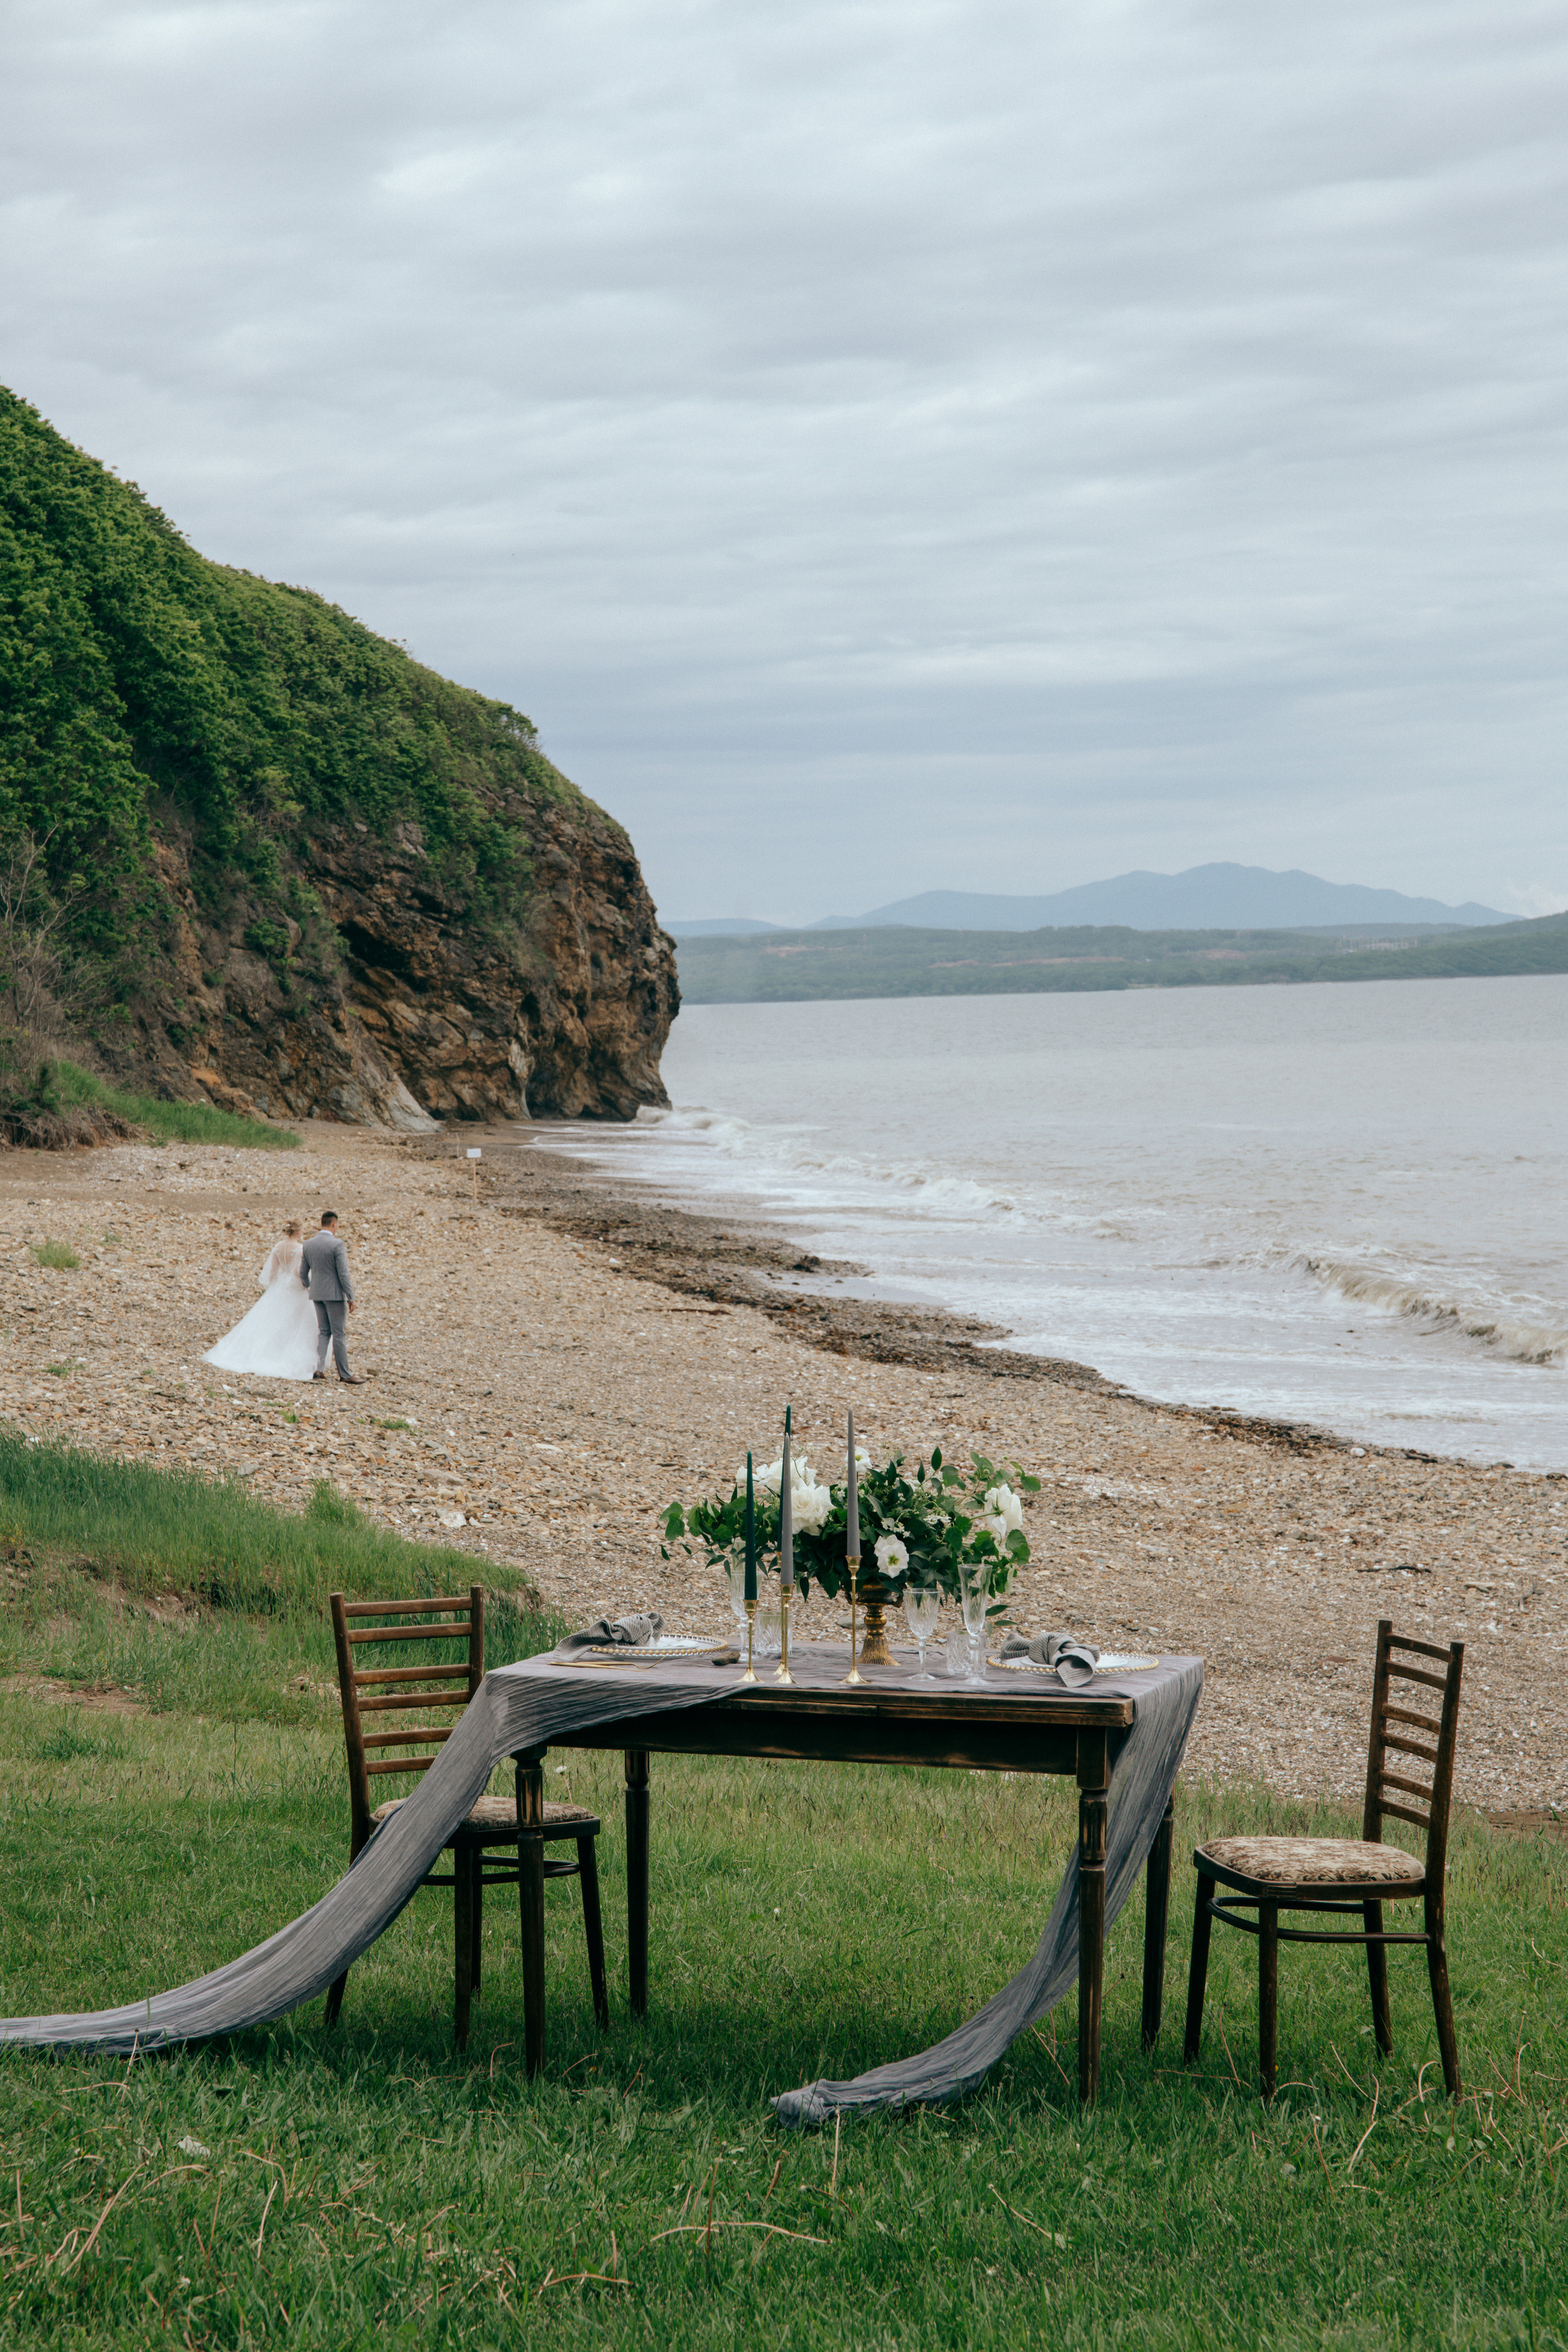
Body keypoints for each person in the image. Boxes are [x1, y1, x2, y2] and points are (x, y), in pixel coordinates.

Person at [202, 1220, 319, 1380]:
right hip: (294, 1288)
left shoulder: (278, 1247)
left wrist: (274, 1288)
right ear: (298, 1232)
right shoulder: (300, 1248)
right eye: (303, 1230)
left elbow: (272, 1272)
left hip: (279, 1287)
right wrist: (309, 1283)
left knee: (271, 1321)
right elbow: (298, 1272)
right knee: (296, 1322)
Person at [301, 1210, 362, 1383]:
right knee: (339, 1334)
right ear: (334, 1224)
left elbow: (302, 1272)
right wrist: (351, 1296)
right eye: (338, 1225)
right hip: (334, 1295)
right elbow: (343, 1273)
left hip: (317, 1293)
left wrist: (309, 1287)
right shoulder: (337, 1245)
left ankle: (318, 1369)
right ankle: (345, 1374)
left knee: (324, 1332)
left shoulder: (308, 1244)